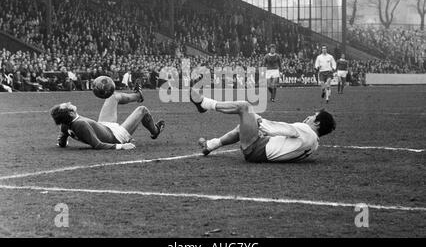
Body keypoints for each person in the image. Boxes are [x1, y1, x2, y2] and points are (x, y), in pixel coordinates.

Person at [189, 89, 336, 163]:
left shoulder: (306, 131)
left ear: (317, 123)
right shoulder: (314, 144)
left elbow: (282, 127)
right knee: (243, 127)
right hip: (263, 150)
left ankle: (205, 104)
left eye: (313, 116)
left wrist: (261, 122)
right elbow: (286, 143)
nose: (308, 117)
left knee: (245, 107)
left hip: (257, 150)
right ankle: (210, 145)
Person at [50, 90, 165, 150]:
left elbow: (62, 140)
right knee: (142, 110)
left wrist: (62, 143)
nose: (69, 103)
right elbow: (97, 145)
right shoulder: (81, 124)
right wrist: (121, 146)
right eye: (66, 105)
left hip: (104, 127)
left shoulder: (66, 125)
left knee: (113, 97)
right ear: (70, 112)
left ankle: (138, 95)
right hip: (116, 136)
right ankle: (155, 131)